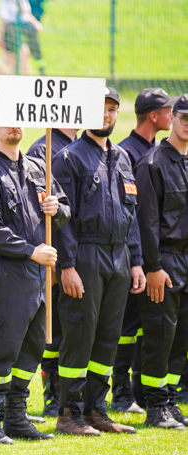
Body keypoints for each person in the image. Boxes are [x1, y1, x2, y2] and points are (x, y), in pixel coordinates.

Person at [0, 108, 68, 444]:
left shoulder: (39, 168)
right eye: (6, 122)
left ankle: (16, 416)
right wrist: (30, 251)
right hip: (7, 272)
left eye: (18, 120)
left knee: (31, 347)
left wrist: (58, 209)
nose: (14, 127)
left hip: (38, 275)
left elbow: (65, 211)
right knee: (1, 345)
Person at [53, 86, 145, 435]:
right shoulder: (69, 158)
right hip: (86, 255)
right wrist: (68, 265)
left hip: (119, 255)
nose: (105, 115)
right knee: (79, 334)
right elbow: (63, 220)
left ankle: (96, 411)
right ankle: (68, 413)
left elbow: (131, 212)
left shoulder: (122, 157)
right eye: (98, 109)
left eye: (111, 109)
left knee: (107, 336)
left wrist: (135, 260)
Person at [111, 88, 177, 415]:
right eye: (168, 111)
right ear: (154, 115)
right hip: (128, 256)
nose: (172, 117)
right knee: (126, 326)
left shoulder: (159, 152)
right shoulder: (129, 154)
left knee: (142, 327)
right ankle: (120, 393)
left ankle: (137, 389)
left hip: (145, 255)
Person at [135, 94, 188, 430]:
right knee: (159, 335)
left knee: (182, 336)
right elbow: (146, 222)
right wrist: (153, 267)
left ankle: (169, 398)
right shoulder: (152, 164)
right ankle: (155, 405)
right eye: (183, 117)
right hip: (164, 260)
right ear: (172, 118)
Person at [27, 127, 79, 417]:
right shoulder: (42, 150)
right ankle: (51, 396)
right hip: (55, 258)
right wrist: (58, 263)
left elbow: (65, 209)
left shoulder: (83, 146)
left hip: (86, 256)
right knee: (52, 332)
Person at [0, 0, 42, 76]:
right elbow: (2, 20)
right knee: (12, 58)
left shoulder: (23, 1)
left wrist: (35, 23)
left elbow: (27, 15)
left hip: (22, 29)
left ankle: (24, 80)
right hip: (11, 30)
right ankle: (26, 80)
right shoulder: (6, 2)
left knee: (19, 56)